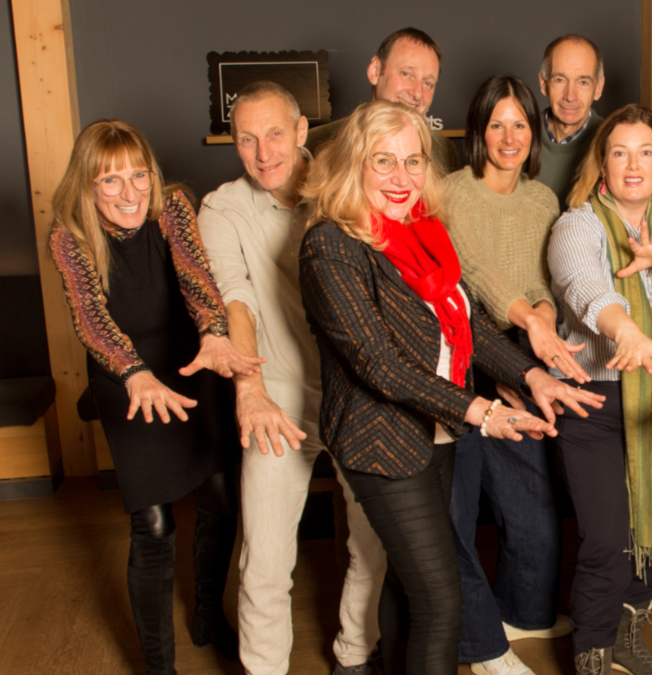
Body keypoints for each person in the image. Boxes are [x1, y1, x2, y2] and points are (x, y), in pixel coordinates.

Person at [298, 99, 601, 675]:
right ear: (353, 165)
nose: (401, 177)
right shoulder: (330, 247)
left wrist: (530, 373)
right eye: (383, 161)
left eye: (413, 162)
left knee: (410, 585)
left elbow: (466, 326)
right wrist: (482, 411)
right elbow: (379, 366)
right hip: (380, 442)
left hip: (435, 434)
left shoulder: (423, 233)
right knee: (441, 599)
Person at [49, 119, 260, 674]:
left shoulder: (171, 207)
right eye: (110, 180)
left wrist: (215, 330)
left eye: (137, 175)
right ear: (87, 185)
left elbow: (195, 278)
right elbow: (91, 320)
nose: (130, 192)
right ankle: (158, 665)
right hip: (128, 382)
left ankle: (208, 616)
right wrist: (133, 372)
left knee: (220, 499)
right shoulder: (68, 235)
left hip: (191, 365)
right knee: (156, 525)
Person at [197, 81, 387, 675]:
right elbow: (237, 299)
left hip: (356, 389)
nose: (263, 152)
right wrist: (249, 391)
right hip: (276, 392)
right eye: (246, 140)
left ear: (302, 130)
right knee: (264, 558)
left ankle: (355, 655)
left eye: (275, 133)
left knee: (373, 543)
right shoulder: (222, 207)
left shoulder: (348, 184)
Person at [548, 104, 652, 675]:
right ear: (602, 164)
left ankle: (626, 637)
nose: (632, 164)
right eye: (619, 152)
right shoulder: (577, 224)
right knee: (607, 539)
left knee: (651, 537)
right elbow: (585, 289)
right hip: (593, 400)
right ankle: (591, 654)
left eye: (645, 152)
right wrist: (629, 332)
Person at [440, 75, 583, 675]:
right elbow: (473, 275)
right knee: (454, 517)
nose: (508, 136)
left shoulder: (542, 199)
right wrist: (527, 328)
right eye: (495, 123)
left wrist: (540, 321)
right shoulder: (449, 192)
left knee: (535, 517)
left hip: (520, 368)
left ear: (535, 130)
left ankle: (523, 614)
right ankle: (477, 644)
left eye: (520, 123)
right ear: (477, 130)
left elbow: (538, 282)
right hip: (456, 372)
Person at [306, 28, 460, 175]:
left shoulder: (443, 150)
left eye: (428, 83)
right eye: (406, 74)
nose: (417, 93)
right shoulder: (314, 143)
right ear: (375, 71)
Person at [536, 34, 606, 209]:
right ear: (544, 84)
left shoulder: (611, 143)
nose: (570, 96)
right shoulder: (516, 137)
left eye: (583, 82)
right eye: (560, 80)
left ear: (598, 88)